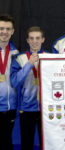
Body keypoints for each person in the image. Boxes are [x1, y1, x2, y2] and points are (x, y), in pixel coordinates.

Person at [10, 26, 46, 150]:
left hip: (46, 109)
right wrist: (29, 64)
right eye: (32, 38)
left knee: (46, 144)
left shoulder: (50, 58)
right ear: (27, 40)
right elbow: (15, 82)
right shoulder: (20, 58)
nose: (35, 41)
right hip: (26, 109)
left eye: (37, 38)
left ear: (43, 39)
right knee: (26, 144)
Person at [0, 14, 19, 150]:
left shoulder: (16, 53)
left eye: (8, 29)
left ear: (12, 31)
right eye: (1, 28)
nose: (4, 32)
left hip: (9, 108)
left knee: (7, 142)